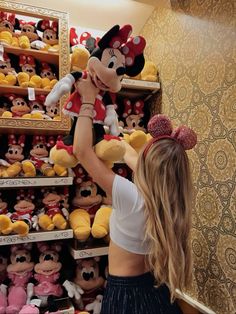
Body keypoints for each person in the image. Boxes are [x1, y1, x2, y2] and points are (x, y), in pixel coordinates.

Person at [73, 75, 197, 314]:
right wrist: (115, 131)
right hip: (155, 289)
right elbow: (132, 157)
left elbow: (81, 150)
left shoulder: (129, 196)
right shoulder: (171, 200)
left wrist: (88, 101)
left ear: (147, 165)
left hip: (126, 297)